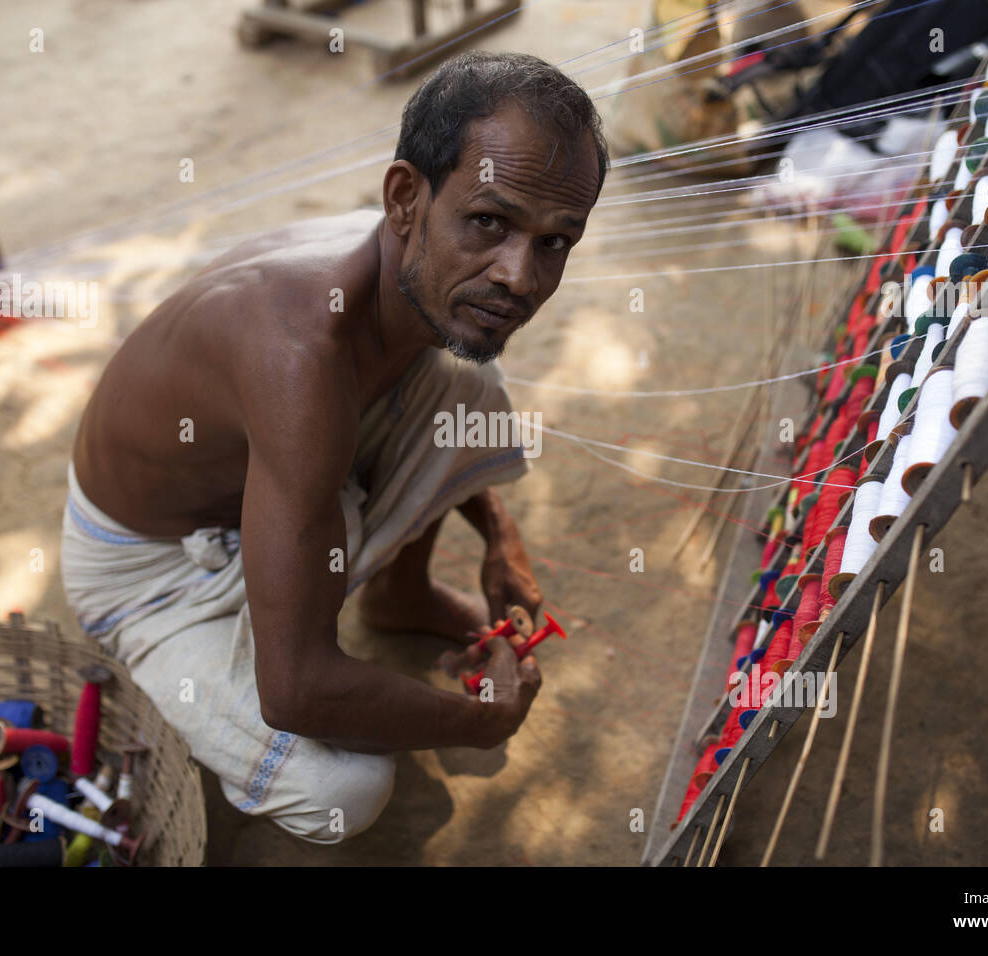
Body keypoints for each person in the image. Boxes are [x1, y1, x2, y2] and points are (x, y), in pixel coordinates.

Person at [59, 50, 608, 843]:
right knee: (343, 790)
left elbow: (389, 414)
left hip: (267, 473)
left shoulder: (408, 264)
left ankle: (401, 595)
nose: (520, 277)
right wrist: (476, 720)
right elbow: (295, 690)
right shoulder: (298, 354)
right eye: (490, 222)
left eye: (556, 241)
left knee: (470, 393)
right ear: (405, 197)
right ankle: (158, 659)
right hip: (149, 570)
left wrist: (499, 537)